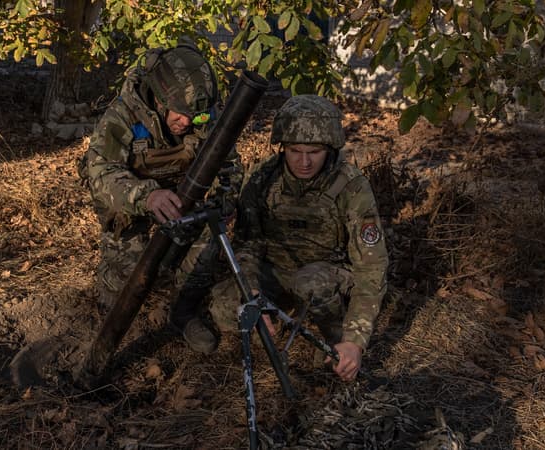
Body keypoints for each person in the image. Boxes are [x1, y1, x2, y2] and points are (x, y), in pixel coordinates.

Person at [78, 39, 241, 354]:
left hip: (182, 204)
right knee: (128, 280)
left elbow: (230, 164)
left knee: (208, 246)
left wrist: (225, 199)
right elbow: (101, 175)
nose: (188, 123)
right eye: (180, 114)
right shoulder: (122, 117)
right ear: (159, 98)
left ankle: (183, 311)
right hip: (133, 209)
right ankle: (113, 297)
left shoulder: (201, 113)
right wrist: (148, 196)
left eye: (197, 117)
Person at [209, 95, 388, 381]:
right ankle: (277, 316)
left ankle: (333, 336)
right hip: (275, 271)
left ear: (329, 148)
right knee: (223, 305)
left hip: (326, 273)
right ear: (283, 147)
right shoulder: (263, 178)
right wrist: (251, 291)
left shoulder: (350, 186)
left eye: (314, 152)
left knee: (311, 283)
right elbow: (248, 244)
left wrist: (355, 340)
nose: (304, 162)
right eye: (295, 151)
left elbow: (371, 267)